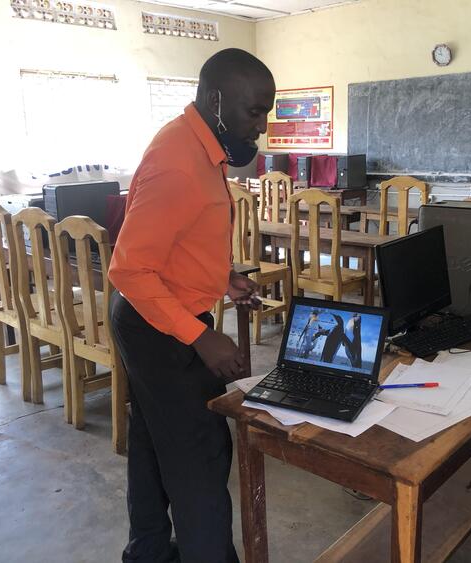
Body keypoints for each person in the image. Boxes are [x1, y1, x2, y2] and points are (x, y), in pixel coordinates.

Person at [108, 48, 275, 563]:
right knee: (199, 455)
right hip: (156, 326)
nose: (261, 126)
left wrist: (221, 279)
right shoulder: (178, 163)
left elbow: (179, 239)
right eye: (254, 112)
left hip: (158, 315)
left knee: (153, 442)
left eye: (266, 113)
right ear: (215, 100)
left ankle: (149, 552)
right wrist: (201, 336)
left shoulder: (198, 145)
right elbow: (129, 270)